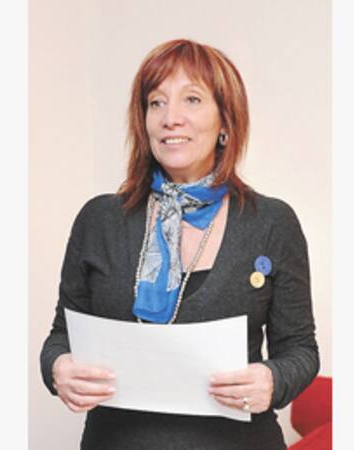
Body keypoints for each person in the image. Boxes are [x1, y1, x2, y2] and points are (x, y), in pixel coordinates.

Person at [40, 39, 319, 449]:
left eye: (192, 99)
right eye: (156, 102)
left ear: (225, 121)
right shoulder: (98, 220)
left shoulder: (272, 222)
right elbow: (61, 336)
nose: (171, 118)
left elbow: (300, 349)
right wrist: (58, 368)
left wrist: (273, 380)